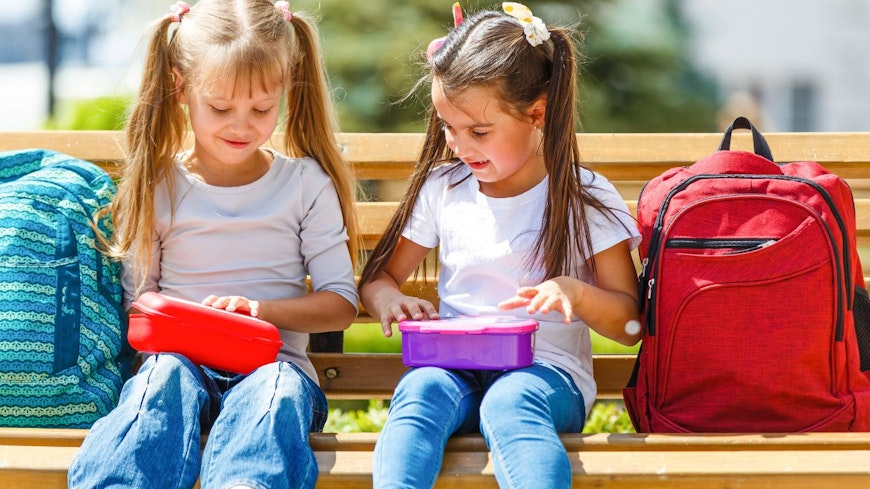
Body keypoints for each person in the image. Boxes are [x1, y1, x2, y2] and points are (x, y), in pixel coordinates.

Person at [68, 1, 359, 488]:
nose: (242, 126)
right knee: (159, 379)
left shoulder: (306, 184)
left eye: (262, 109)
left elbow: (341, 304)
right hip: (180, 373)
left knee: (276, 390)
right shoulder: (158, 185)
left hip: (275, 368)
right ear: (181, 88)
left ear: (284, 89)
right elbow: (139, 304)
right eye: (221, 108)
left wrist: (261, 311)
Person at [357, 3, 642, 488]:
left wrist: (575, 292)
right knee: (420, 392)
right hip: (454, 369)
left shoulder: (582, 197)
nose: (459, 146)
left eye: (479, 132)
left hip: (545, 377)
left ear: (537, 113)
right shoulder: (443, 188)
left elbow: (631, 325)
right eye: (449, 127)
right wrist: (389, 298)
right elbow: (378, 280)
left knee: (509, 401)